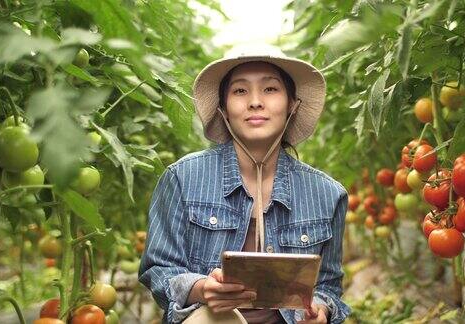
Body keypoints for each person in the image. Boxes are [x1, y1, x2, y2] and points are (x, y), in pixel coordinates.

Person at [138, 44, 351, 324]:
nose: (255, 101)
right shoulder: (182, 178)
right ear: (223, 109)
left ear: (292, 105)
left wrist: (320, 310)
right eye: (240, 91)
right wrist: (201, 288)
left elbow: (328, 288)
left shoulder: (327, 194)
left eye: (270, 89)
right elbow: (158, 269)